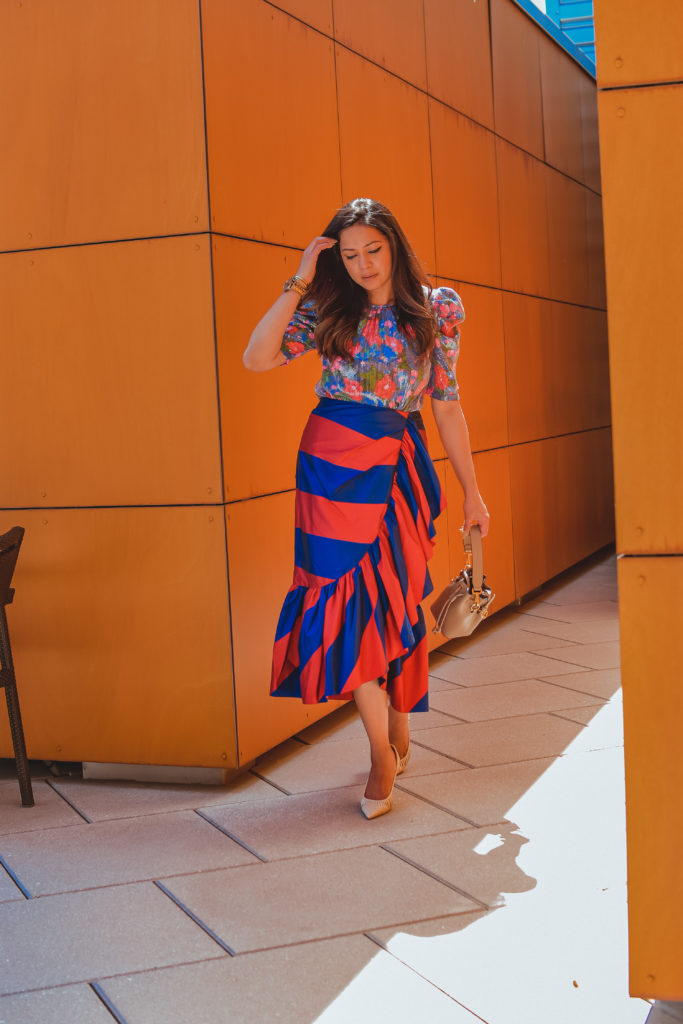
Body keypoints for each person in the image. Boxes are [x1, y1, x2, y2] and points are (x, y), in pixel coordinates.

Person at [243, 198, 489, 819]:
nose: (363, 265)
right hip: (330, 464)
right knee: (337, 599)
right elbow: (257, 356)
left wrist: (472, 491)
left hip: (401, 463)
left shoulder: (438, 310)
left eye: (372, 250)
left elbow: (448, 406)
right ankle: (380, 750)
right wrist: (302, 277)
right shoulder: (328, 308)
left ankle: (398, 720)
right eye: (349, 255)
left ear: (394, 246)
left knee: (397, 595)